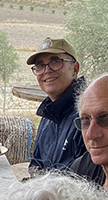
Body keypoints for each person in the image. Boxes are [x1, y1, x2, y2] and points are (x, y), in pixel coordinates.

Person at [26, 37, 86, 174]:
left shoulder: (88, 114)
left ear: (75, 68)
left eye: (55, 61)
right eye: (40, 65)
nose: (47, 70)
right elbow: (36, 167)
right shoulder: (48, 114)